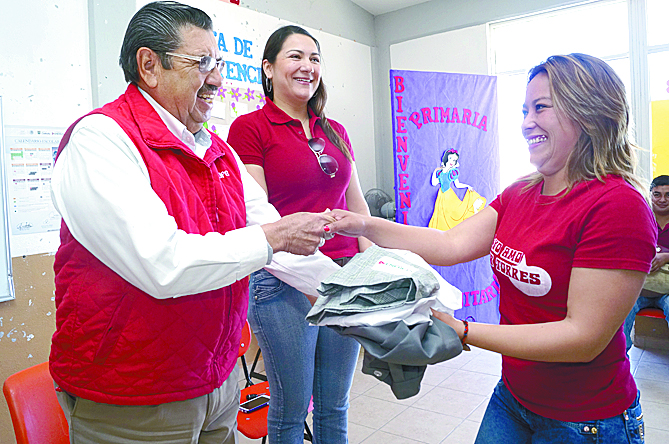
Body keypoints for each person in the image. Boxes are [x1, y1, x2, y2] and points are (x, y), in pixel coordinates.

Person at [326, 53, 656, 443]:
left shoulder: (617, 206)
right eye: (524, 110)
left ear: (588, 112)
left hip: (585, 419)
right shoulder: (521, 192)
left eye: (541, 107)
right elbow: (450, 243)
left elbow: (582, 337)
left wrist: (465, 331)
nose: (526, 122)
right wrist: (364, 224)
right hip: (515, 396)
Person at [49, 3, 341, 443]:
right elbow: (164, 264)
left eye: (217, 63)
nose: (218, 79)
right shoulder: (100, 140)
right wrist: (273, 237)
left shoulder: (217, 151)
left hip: (216, 381)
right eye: (202, 63)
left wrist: (371, 303)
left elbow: (282, 248)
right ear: (149, 65)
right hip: (135, 396)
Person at [227, 25, 371, 443]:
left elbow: (358, 207)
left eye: (315, 58)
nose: (307, 66)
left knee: (334, 406)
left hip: (344, 276)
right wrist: (311, 278)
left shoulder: (335, 130)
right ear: (268, 68)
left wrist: (371, 270)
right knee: (292, 411)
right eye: (295, 56)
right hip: (282, 279)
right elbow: (258, 217)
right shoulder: (250, 128)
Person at [623, 174, 669, 350]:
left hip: (667, 290)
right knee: (621, 310)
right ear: (650, 195)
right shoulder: (639, 218)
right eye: (657, 194)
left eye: (668, 195)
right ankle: (620, 359)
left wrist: (666, 257)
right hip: (640, 288)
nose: (662, 200)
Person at [428, 148, 486, 230]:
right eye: (450, 158)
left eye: (454, 160)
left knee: (455, 214)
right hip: (441, 195)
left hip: (449, 195)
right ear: (446, 158)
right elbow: (434, 183)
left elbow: (457, 185)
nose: (452, 161)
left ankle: (473, 211)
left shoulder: (452, 172)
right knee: (441, 214)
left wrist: (467, 186)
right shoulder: (440, 172)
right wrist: (435, 171)